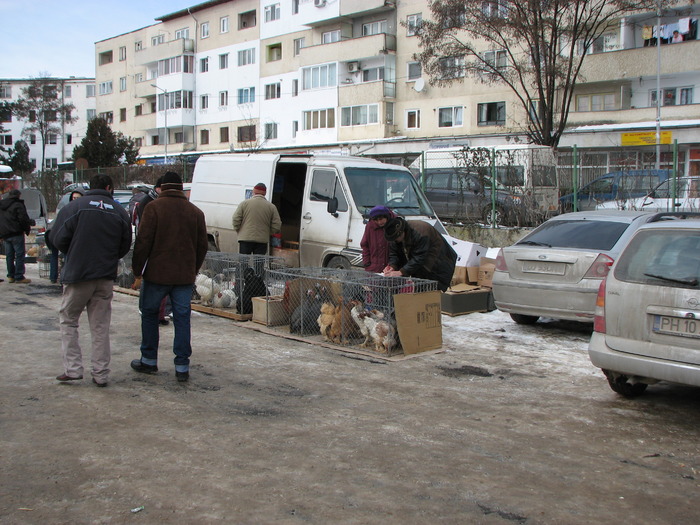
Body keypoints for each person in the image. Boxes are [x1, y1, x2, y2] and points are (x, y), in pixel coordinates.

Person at [51, 175, 132, 387]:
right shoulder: (119, 212)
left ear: (90, 187)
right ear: (109, 187)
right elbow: (124, 245)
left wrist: (74, 251)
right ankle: (101, 373)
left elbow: (57, 238)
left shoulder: (75, 207)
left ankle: (73, 369)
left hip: (78, 274)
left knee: (68, 320)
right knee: (100, 326)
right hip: (104, 276)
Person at [130, 172, 208, 383]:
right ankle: (182, 366)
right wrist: (193, 269)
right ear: (181, 188)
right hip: (184, 277)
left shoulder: (153, 209)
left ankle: (148, 360)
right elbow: (202, 246)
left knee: (149, 314)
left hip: (156, 275)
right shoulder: (195, 212)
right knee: (182, 319)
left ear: (162, 188)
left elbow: (143, 243)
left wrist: (137, 271)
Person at [131, 176, 169, 325]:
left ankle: (160, 314)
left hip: (157, 249)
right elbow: (144, 229)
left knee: (159, 286)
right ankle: (146, 310)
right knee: (148, 283)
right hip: (150, 249)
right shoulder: (147, 203)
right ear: (158, 188)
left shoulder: (155, 202)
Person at [382, 217, 458, 292]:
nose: (395, 241)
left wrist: (401, 272)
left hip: (438, 265)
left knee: (433, 295)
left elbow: (419, 257)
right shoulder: (395, 237)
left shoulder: (421, 232)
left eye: (396, 239)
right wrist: (392, 266)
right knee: (421, 293)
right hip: (421, 269)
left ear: (402, 232)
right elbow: (394, 253)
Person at [46, 188, 85, 284]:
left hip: (57, 233)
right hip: (56, 233)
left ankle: (57, 277)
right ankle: (60, 278)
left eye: (77, 198)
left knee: (63, 256)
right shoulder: (72, 210)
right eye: (74, 198)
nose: (75, 200)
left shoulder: (71, 208)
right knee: (65, 256)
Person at [232, 182, 281, 255]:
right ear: (265, 193)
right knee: (258, 263)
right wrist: (267, 233)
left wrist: (239, 230)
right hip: (262, 240)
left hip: (245, 239)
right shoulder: (272, 207)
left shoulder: (244, 204)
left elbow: (235, 219)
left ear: (254, 192)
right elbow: (277, 225)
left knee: (243, 263)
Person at [0, 188, 34, 284]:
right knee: (19, 255)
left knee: (9, 256)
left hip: (5, 234)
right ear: (18, 196)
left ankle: (11, 276)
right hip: (16, 233)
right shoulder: (18, 205)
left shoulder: (2, 205)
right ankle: (19, 276)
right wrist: (27, 228)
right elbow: (22, 219)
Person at [361, 205, 395, 273]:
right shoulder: (370, 226)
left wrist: (393, 265)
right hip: (373, 268)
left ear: (387, 217)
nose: (379, 222)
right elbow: (365, 244)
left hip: (391, 268)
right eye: (376, 220)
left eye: (381, 219)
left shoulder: (395, 224)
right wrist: (367, 262)